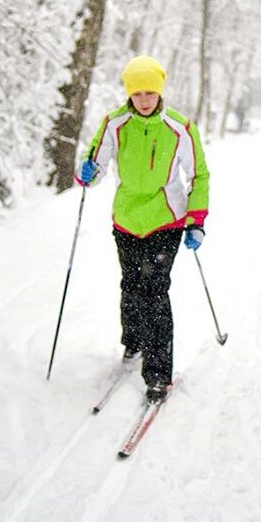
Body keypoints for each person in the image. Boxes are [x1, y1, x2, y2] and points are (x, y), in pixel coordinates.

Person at [75, 55, 211, 403]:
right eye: (138, 93)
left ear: (160, 91)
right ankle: (132, 342)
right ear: (130, 94)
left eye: (151, 92)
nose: (145, 99)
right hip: (126, 220)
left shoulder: (180, 127)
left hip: (166, 222)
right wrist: (87, 173)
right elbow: (95, 166)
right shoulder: (114, 124)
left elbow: (199, 175)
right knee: (131, 285)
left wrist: (196, 221)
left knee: (155, 291)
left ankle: (158, 372)